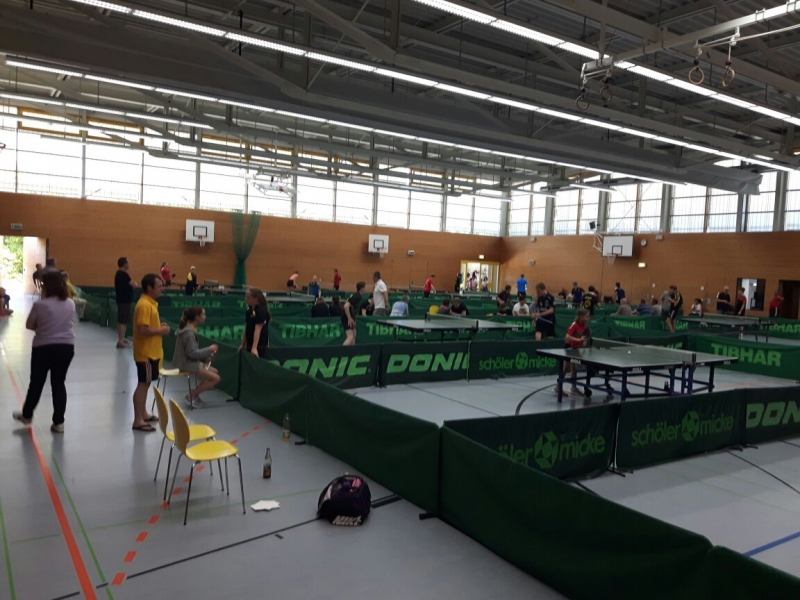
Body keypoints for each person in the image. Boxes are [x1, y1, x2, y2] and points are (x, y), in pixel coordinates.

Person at [12, 271, 75, 433]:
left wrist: (43, 326)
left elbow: (29, 325)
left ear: (48, 287)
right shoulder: (70, 303)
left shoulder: (40, 305)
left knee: (37, 383)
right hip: (66, 347)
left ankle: (27, 415)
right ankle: (59, 422)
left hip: (43, 348)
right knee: (58, 383)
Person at [131, 273, 169, 432]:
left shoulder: (151, 303)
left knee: (146, 384)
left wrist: (158, 327)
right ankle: (138, 420)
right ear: (149, 287)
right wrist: (161, 330)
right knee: (142, 384)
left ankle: (144, 414)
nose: (162, 289)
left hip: (152, 352)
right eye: (159, 286)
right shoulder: (144, 305)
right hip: (145, 353)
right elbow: (142, 330)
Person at [173, 307, 220, 409]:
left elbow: (190, 352)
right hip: (186, 363)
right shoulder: (189, 333)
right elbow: (192, 353)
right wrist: (209, 349)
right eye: (203, 314)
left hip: (189, 361)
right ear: (197, 317)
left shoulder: (190, 329)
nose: (205, 316)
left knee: (215, 372)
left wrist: (205, 357)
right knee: (216, 378)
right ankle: (191, 396)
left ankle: (195, 395)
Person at [556, 308, 591, 397]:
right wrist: (579, 340)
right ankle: (558, 387)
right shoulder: (574, 325)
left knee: (574, 368)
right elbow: (567, 336)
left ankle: (573, 387)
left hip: (576, 349)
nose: (588, 318)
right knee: (566, 368)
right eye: (587, 316)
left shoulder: (584, 325)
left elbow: (582, 338)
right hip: (569, 348)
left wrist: (583, 341)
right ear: (581, 316)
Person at [239, 287, 270, 358]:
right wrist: (243, 344)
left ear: (256, 299)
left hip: (260, 345)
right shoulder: (249, 310)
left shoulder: (262, 311)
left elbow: (258, 329)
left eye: (248, 297)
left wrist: (254, 348)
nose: (245, 299)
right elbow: (246, 327)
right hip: (249, 343)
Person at [114, 257, 134, 349]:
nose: (129, 264)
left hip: (121, 300)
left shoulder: (118, 274)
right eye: (128, 263)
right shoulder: (124, 274)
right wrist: (135, 284)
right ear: (124, 264)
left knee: (121, 320)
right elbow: (132, 284)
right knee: (123, 321)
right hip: (124, 301)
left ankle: (121, 339)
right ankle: (121, 341)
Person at [343, 281, 366, 346]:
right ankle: (341, 351)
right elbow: (346, 306)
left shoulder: (356, 295)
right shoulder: (357, 296)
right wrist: (349, 318)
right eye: (365, 287)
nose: (366, 289)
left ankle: (352, 350)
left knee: (354, 334)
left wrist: (353, 318)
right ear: (362, 288)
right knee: (350, 337)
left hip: (350, 316)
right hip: (346, 317)